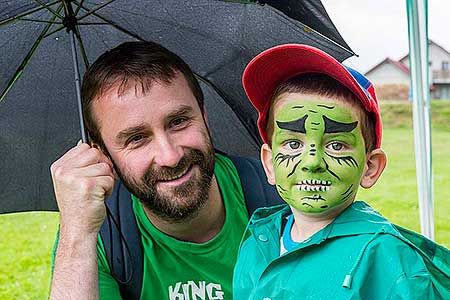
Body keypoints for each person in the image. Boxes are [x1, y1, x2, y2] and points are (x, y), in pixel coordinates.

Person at [49, 41, 281, 300]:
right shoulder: (96, 237)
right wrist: (77, 232)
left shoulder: (284, 197)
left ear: (205, 118)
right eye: (137, 138)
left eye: (178, 121)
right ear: (103, 156)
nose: (170, 156)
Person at [233, 44, 450, 299]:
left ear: (370, 167)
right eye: (293, 144)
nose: (312, 162)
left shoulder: (387, 259)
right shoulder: (258, 240)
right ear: (269, 163)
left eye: (336, 145)